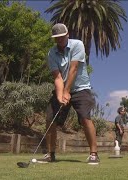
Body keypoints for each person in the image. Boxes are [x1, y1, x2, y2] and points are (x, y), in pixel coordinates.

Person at [44, 23, 99, 165]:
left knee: (85, 118)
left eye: (62, 37)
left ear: (67, 34)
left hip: (81, 88)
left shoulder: (78, 45)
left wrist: (67, 91)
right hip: (63, 88)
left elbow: (73, 69)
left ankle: (94, 154)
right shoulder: (51, 53)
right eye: (56, 38)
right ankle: (50, 154)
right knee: (50, 119)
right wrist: (60, 95)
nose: (59, 40)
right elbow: (57, 77)